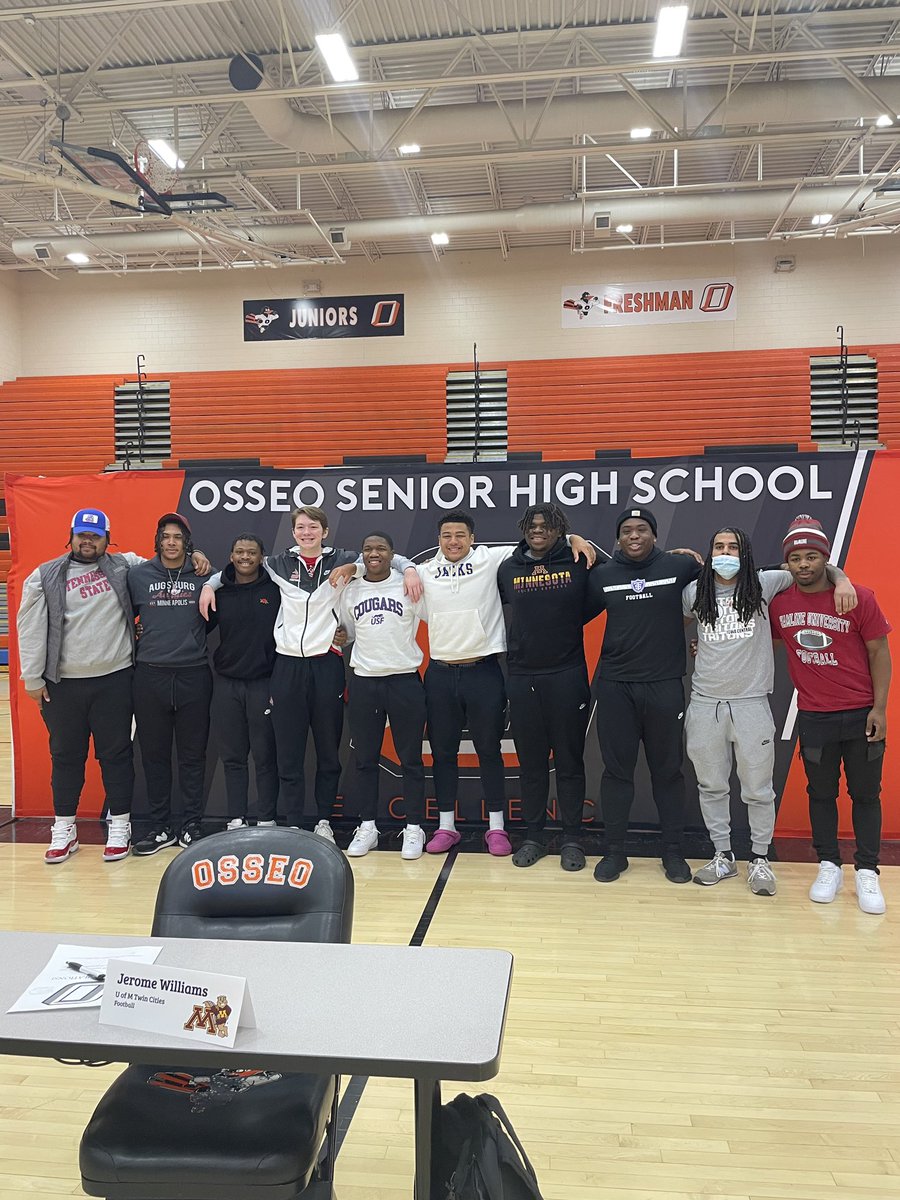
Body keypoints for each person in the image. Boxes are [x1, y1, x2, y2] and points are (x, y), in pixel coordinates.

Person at [201, 505, 419, 840]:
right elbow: (235, 568)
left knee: (329, 752)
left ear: (325, 532)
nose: (307, 533)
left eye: (313, 527)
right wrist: (209, 585)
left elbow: (384, 557)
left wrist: (409, 570)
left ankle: (323, 822)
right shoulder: (277, 563)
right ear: (293, 533)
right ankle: (292, 823)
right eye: (301, 527)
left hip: (326, 663)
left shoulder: (345, 559)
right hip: (286, 665)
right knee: (289, 752)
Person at [684, 526, 856, 896]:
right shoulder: (694, 591)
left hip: (751, 703)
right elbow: (679, 623)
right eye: (719, 546)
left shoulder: (766, 582)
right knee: (711, 786)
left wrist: (842, 580)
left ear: (745, 553)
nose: (725, 552)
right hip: (705, 703)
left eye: (733, 547)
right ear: (710, 551)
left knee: (758, 790)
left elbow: (815, 567)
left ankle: (759, 858)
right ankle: (723, 855)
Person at [412, 511, 595, 855]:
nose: (453, 541)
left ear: (472, 538)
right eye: (446, 535)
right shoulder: (422, 572)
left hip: (484, 671)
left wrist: (575, 539)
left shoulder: (493, 558)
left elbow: (541, 541)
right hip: (439, 672)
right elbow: (384, 562)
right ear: (438, 540)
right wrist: (403, 567)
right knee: (442, 754)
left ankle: (497, 829)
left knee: (489, 751)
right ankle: (446, 827)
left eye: (460, 535)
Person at [770, 514, 891, 914]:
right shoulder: (780, 604)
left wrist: (879, 707)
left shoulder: (858, 597)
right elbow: (750, 638)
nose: (804, 565)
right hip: (815, 717)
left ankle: (868, 871)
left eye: (812, 557)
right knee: (820, 793)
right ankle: (828, 863)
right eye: (796, 558)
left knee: (865, 794)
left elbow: (879, 652)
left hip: (860, 715)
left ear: (826, 558)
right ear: (786, 563)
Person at [16, 508, 141, 864]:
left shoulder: (124, 565)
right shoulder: (44, 575)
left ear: (107, 538)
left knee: (116, 756)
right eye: (82, 535)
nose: (88, 541)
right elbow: (30, 628)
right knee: (66, 757)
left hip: (115, 679)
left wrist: (194, 554)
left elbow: (165, 562)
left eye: (96, 536)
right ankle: (64, 827)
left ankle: (120, 825)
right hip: (63, 685)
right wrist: (33, 678)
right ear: (71, 536)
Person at [585, 508, 700, 885]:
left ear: (654, 534)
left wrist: (838, 575)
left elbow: (733, 584)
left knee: (668, 771)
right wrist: (573, 540)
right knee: (617, 772)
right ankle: (615, 852)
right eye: (627, 531)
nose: (634, 536)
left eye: (642, 529)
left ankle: (672, 852)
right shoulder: (602, 575)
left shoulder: (679, 567)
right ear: (618, 538)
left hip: (665, 685)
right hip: (616, 686)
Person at [497, 504, 594, 872]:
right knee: (531, 764)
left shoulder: (578, 561)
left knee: (569, 762)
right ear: (523, 529)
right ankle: (534, 837)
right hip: (522, 677)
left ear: (560, 530)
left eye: (547, 525)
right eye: (532, 525)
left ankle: (571, 838)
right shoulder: (507, 568)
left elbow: (610, 585)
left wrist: (575, 539)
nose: (538, 530)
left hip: (567, 674)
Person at [337, 531, 428, 860]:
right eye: (368, 548)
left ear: (392, 554)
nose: (374, 553)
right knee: (365, 761)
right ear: (362, 555)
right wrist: (339, 636)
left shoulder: (408, 584)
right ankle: (368, 826)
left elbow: (435, 618)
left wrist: (411, 570)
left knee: (411, 761)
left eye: (380, 548)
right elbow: (346, 634)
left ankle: (415, 827)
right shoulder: (350, 590)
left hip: (404, 680)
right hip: (364, 681)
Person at [128, 513, 213, 855]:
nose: (172, 542)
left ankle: (191, 825)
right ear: (158, 540)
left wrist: (201, 557)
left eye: (178, 537)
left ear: (187, 543)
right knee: (154, 756)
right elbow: (124, 616)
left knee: (193, 756)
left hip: (193, 673)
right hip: (150, 675)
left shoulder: (203, 575)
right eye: (166, 536)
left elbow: (213, 619)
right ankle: (160, 825)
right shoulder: (138, 575)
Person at [209, 534, 280, 831]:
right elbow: (194, 627)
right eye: (239, 552)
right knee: (233, 756)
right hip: (227, 684)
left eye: (252, 552)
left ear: (261, 557)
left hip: (263, 683)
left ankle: (266, 818)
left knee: (264, 756)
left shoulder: (275, 591)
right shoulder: (219, 593)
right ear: (231, 556)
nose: (245, 557)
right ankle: (236, 818)